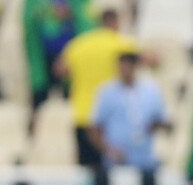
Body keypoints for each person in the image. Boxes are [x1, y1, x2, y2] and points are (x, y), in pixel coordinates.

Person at [23, 0, 95, 111]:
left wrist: (72, 13)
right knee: (40, 96)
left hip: (72, 45)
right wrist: (48, 12)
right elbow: (28, 12)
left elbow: (89, 10)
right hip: (44, 48)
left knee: (71, 97)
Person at [57, 9, 138, 165]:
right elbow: (151, 59)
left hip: (82, 113)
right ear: (114, 22)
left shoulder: (79, 44)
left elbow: (60, 69)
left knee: (87, 169)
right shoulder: (121, 43)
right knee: (112, 169)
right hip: (109, 116)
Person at [89, 52, 169, 170]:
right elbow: (95, 128)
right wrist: (110, 151)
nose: (124, 70)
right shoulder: (106, 92)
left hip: (145, 161)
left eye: (128, 66)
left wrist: (156, 124)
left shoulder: (151, 91)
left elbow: (164, 121)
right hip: (115, 162)